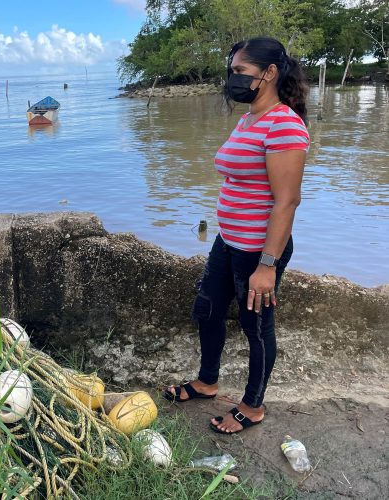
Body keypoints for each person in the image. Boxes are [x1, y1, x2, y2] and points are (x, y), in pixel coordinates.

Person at [163, 37, 310, 434]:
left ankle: (253, 405)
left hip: (258, 251)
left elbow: (287, 202)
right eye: (233, 72)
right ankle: (207, 381)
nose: (233, 79)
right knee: (208, 310)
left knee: (256, 326)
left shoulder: (285, 125)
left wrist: (267, 265)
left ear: (269, 73)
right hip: (227, 240)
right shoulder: (249, 120)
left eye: (240, 72)